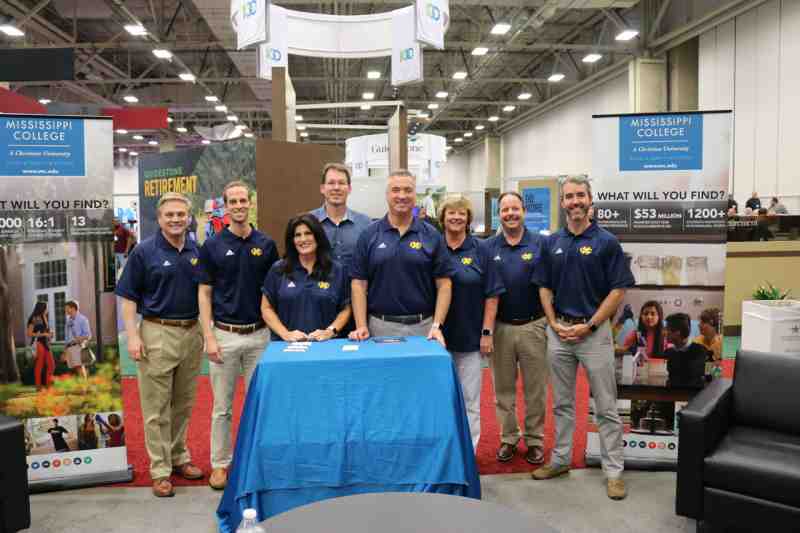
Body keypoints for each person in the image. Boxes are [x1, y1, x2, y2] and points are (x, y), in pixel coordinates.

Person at [531, 175, 635, 500]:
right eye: (569, 197)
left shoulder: (607, 242)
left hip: (594, 335)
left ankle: (614, 473)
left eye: (580, 196)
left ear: (590, 200)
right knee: (562, 403)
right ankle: (560, 460)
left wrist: (589, 326)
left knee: (605, 405)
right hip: (559, 333)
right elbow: (544, 287)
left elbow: (618, 290)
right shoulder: (552, 243)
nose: (575, 202)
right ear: (562, 203)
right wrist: (552, 323)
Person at [116, 191, 205, 498]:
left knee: (184, 403)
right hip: (157, 332)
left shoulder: (197, 249)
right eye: (170, 215)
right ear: (159, 218)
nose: (176, 219)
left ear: (189, 217)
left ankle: (179, 457)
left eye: (181, 214)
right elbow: (128, 297)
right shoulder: (144, 251)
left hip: (191, 333)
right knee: (156, 408)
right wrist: (134, 336)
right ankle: (159, 470)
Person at [196, 180, 279, 491]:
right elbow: (204, 293)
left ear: (250, 202)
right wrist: (209, 336)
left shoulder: (267, 245)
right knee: (222, 407)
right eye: (233, 201)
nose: (239, 206)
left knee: (261, 403)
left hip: (260, 337)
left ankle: (261, 459)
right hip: (225, 336)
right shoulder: (213, 246)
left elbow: (274, 291)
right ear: (225, 205)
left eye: (243, 200)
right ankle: (220, 465)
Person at [349, 169, 453, 343]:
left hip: (424, 328)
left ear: (415, 195)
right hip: (379, 328)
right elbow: (358, 284)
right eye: (396, 190)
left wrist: (436, 325)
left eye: (408, 190)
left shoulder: (432, 235)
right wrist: (361, 325)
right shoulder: (369, 235)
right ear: (387, 195)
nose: (402, 196)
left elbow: (444, 284)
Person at [484, 191, 548, 465]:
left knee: (535, 389)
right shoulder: (487, 247)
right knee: (503, 390)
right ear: (499, 214)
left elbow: (549, 285)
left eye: (515, 208)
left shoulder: (541, 244)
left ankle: (535, 439)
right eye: (505, 209)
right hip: (500, 328)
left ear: (524, 211)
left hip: (534, 326)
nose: (510, 214)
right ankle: (508, 437)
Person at [439, 196, 504, 450]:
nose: (456, 217)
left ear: (468, 219)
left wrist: (486, 332)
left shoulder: (482, 250)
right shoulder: (434, 247)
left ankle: (469, 451)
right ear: (442, 217)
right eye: (451, 212)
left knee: (469, 401)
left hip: (469, 339)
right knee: (439, 399)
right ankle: (444, 450)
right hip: (436, 340)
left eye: (461, 213)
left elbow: (492, 295)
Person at [262, 214, 352, 341]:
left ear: (317, 236)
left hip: (326, 346)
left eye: (308, 233)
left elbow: (346, 309)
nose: (303, 239)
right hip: (287, 347)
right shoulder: (279, 269)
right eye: (297, 235)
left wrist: (330, 331)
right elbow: (266, 308)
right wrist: (285, 334)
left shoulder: (337, 270)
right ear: (292, 240)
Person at [310, 163, 372, 269]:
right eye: (331, 183)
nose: (336, 187)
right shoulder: (309, 222)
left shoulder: (365, 224)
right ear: (322, 188)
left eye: (341, 183)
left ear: (349, 189)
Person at [663, 313, 709, 388]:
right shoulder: (668, 352)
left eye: (667, 329)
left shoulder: (700, 352)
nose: (664, 333)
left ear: (678, 332)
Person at [27, 301, 53, 388]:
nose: (47, 309)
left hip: (46, 343)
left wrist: (49, 334)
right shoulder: (34, 318)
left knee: (51, 365)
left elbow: (45, 331)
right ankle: (38, 386)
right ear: (42, 308)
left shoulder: (44, 317)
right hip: (38, 343)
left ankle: (48, 385)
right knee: (39, 365)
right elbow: (29, 334)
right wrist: (43, 334)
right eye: (46, 307)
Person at [64, 301, 92, 381]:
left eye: (67, 308)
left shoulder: (83, 319)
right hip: (70, 347)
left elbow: (88, 335)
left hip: (78, 346)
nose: (65, 310)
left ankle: (84, 388)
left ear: (73, 308)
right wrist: (65, 349)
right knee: (75, 368)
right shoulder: (68, 320)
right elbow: (67, 336)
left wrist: (76, 340)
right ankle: (81, 387)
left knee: (80, 367)